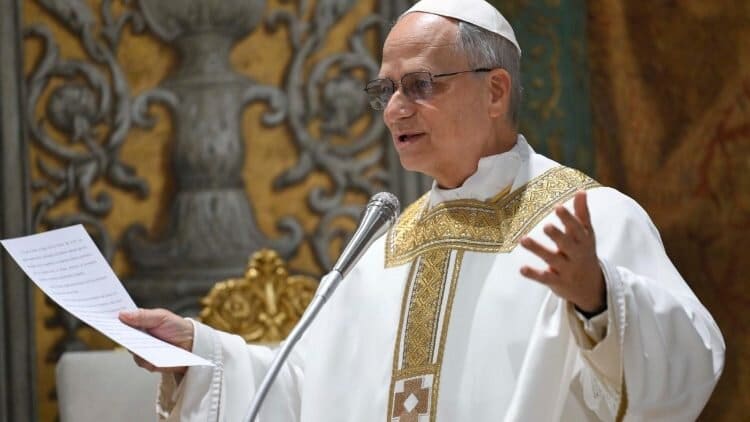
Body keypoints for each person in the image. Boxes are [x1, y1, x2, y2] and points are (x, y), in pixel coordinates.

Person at [119, 0, 725, 420]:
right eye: (386, 89)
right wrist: (197, 356)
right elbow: (305, 390)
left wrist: (598, 300)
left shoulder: (590, 217)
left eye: (420, 85)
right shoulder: (384, 247)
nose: (394, 110)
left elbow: (689, 368)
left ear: (495, 91)